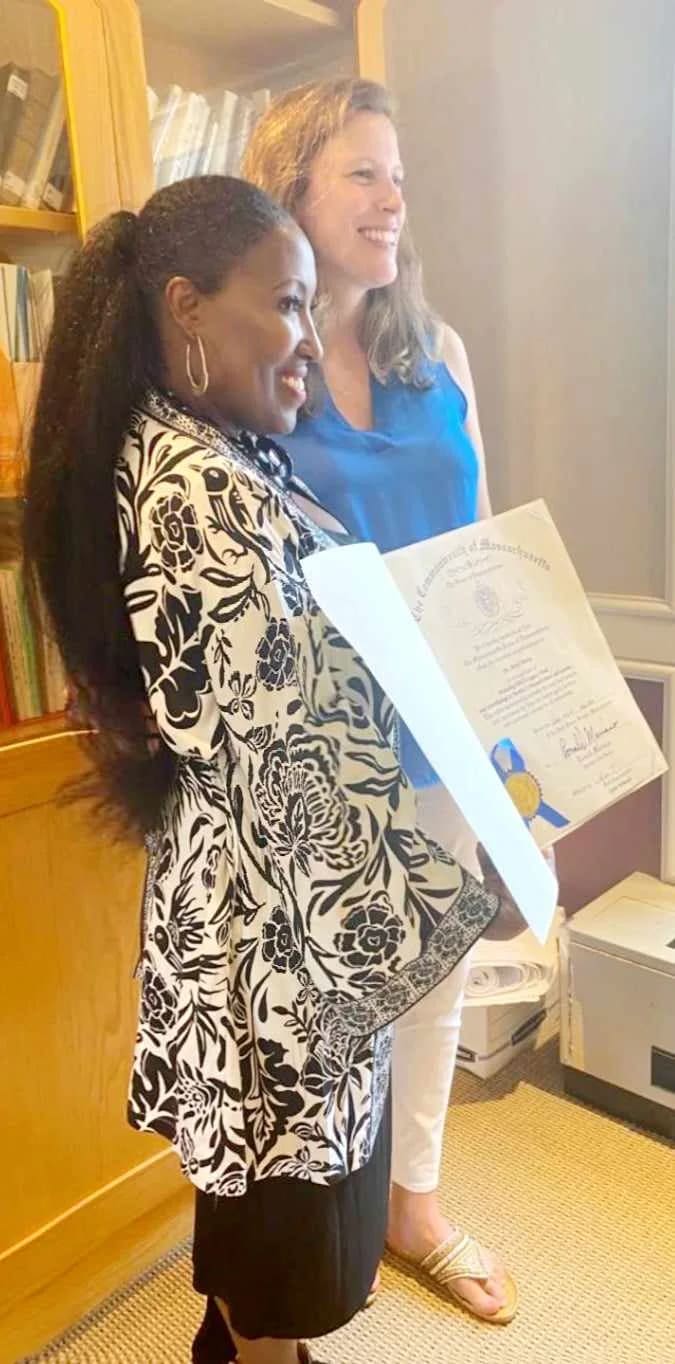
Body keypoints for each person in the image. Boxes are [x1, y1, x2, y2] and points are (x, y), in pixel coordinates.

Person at [23, 176, 503, 1364]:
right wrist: (454, 891)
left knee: (263, 1208)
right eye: (285, 304)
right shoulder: (195, 486)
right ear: (188, 308)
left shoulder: (212, 447)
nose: (305, 335)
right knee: (285, 1235)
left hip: (276, 910)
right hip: (278, 930)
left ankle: (236, 1341)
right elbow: (288, 755)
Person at [242, 78, 519, 1325]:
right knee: (333, 1000)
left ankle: (416, 1204)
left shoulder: (439, 353)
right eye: (362, 172)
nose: (392, 197)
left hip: (446, 729)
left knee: (437, 978)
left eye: (398, 175)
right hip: (324, 751)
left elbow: (483, 539)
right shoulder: (255, 365)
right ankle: (323, 1229)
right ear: (291, 191)